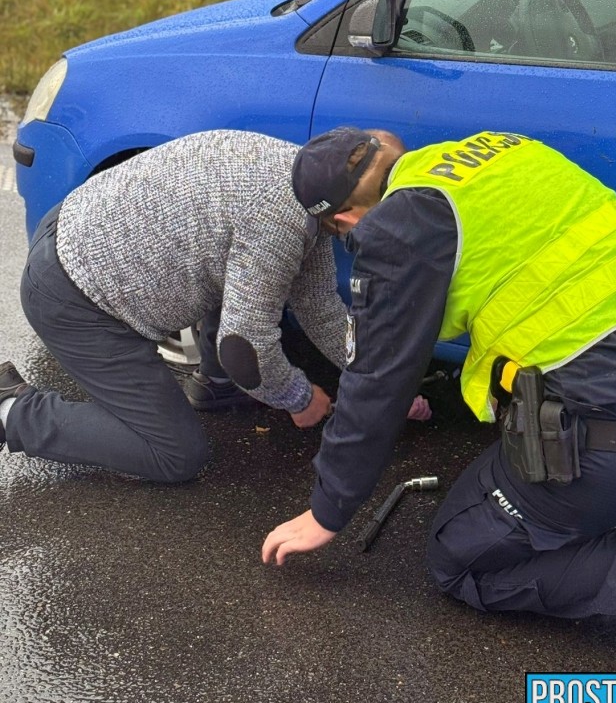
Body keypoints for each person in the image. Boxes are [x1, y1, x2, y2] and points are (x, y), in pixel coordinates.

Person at [261, 127, 616, 672]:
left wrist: (328, 511)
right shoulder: (503, 150)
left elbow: (374, 380)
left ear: (347, 221)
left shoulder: (398, 227)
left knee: (459, 556)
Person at [0, 128, 377, 481]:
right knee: (176, 454)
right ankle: (12, 412)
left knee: (248, 276)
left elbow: (318, 303)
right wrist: (299, 397)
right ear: (344, 215)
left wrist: (375, 380)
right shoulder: (278, 219)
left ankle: (216, 385)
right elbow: (245, 348)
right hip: (77, 300)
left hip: (80, 229)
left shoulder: (309, 181)